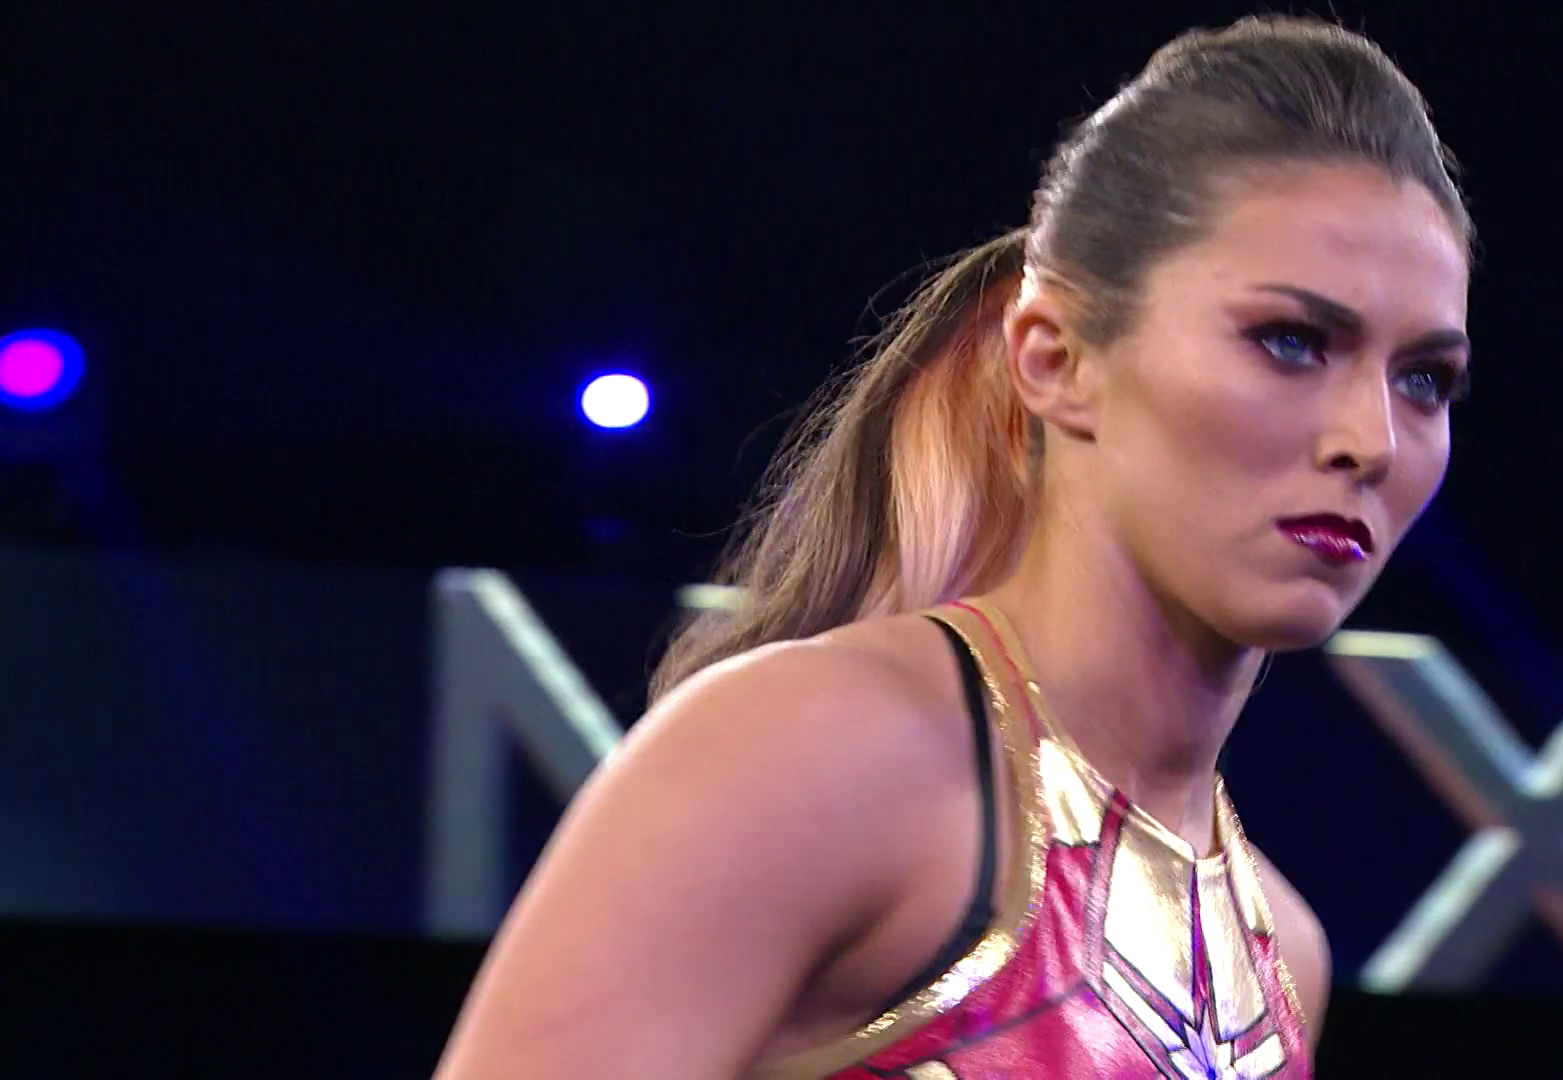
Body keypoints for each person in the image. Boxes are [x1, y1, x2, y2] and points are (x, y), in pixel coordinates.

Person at [435, 12, 1473, 1079]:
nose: (1372, 440)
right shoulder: (808, 755)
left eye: (1425, 380)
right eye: (1291, 341)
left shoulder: (1285, 958)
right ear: (1055, 359)